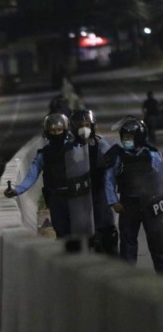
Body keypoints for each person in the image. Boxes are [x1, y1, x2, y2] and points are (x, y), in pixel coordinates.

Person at [104, 117, 163, 273]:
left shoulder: (152, 155)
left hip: (151, 204)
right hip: (128, 205)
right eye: (124, 137)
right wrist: (113, 202)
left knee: (158, 242)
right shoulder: (118, 156)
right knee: (128, 243)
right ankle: (127, 277)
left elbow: (161, 178)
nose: (126, 140)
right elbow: (109, 180)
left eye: (129, 137)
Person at [4, 113, 75, 238]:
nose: (56, 133)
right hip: (56, 198)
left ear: (65, 130)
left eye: (59, 130)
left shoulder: (75, 149)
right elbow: (32, 175)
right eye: (53, 130)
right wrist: (17, 190)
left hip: (76, 196)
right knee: (62, 234)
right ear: (47, 132)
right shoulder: (44, 154)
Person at [70, 109, 118, 255]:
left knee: (107, 229)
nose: (84, 128)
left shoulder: (101, 144)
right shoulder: (69, 147)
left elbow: (112, 166)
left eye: (87, 124)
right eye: (80, 125)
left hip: (99, 191)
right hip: (79, 194)